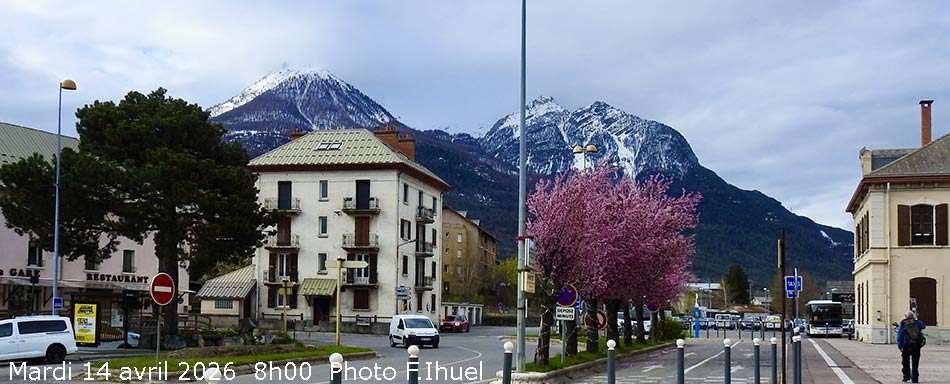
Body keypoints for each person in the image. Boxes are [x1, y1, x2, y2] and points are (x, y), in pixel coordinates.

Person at [897, 311, 926, 383]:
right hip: (916, 345)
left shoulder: (903, 323)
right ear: (913, 316)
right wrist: (916, 319)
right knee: (915, 362)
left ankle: (906, 376)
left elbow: (899, 335)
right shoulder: (917, 322)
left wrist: (900, 346)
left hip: (906, 345)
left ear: (905, 316)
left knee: (905, 361)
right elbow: (923, 326)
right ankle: (915, 378)